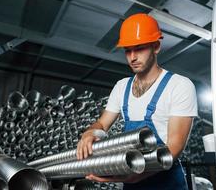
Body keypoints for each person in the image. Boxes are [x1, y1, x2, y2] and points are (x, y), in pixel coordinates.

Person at [76, 13, 198, 190]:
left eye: (139, 48)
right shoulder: (121, 87)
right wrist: (90, 133)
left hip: (165, 182)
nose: (132, 57)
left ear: (156, 46)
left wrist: (139, 174)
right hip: (132, 178)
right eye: (127, 50)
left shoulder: (179, 85)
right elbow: (102, 124)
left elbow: (174, 146)